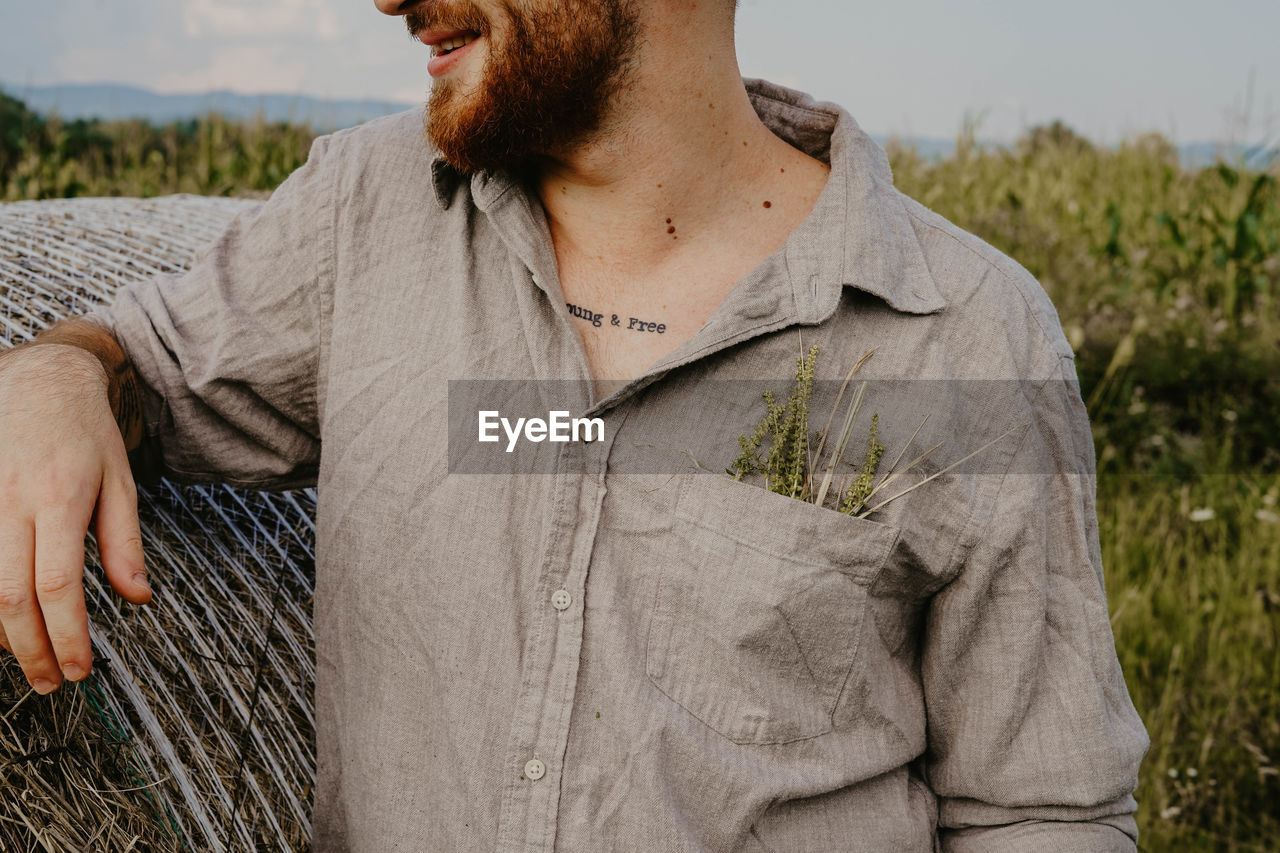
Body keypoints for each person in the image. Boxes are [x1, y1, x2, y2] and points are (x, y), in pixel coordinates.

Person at [0, 0, 1149, 849]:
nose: (390, 1)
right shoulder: (359, 215)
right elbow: (135, 365)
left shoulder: (966, 334)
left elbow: (1040, 807)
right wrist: (57, 372)